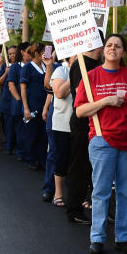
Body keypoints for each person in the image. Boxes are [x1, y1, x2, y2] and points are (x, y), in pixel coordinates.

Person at [74, 33, 127, 254]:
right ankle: (97, 237)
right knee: (101, 191)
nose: (113, 48)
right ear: (104, 50)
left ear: (123, 52)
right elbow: (80, 110)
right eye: (109, 45)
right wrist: (106, 101)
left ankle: (123, 238)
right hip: (102, 139)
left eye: (118, 46)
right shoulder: (91, 76)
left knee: (125, 192)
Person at [66, 44, 102, 225]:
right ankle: (74, 209)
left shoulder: (94, 63)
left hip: (96, 124)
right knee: (79, 168)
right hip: (83, 124)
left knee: (92, 169)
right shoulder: (81, 64)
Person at [46, 53, 74, 206]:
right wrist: (76, 74)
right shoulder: (61, 71)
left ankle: (80, 196)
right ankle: (58, 193)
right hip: (62, 123)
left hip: (81, 124)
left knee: (79, 162)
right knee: (61, 158)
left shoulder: (91, 70)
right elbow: (59, 93)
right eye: (75, 55)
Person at [19, 42, 49, 169]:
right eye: (43, 51)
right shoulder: (27, 68)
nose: (45, 53)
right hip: (32, 106)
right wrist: (26, 107)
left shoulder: (46, 66)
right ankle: (31, 159)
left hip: (44, 106)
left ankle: (42, 159)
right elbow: (23, 88)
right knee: (31, 134)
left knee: (43, 134)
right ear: (36, 53)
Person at [0, 45, 24, 156]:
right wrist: (6, 72)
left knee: (19, 126)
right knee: (9, 124)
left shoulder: (22, 66)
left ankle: (19, 147)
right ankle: (9, 145)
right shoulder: (6, 65)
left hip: (20, 100)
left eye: (14, 53)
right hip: (8, 99)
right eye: (9, 54)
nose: (12, 55)